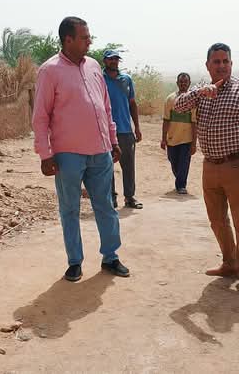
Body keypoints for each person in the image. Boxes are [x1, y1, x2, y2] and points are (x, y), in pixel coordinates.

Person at [32, 16, 130, 282]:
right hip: (68, 155)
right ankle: (74, 262)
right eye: (84, 37)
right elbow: (40, 117)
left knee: (106, 206)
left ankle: (111, 257)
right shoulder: (49, 71)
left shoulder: (94, 66)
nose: (89, 42)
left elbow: (105, 106)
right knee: (70, 209)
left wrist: (113, 140)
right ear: (68, 40)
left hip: (101, 151)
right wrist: (45, 154)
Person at [175, 43, 239, 294]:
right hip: (210, 165)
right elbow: (178, 106)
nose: (221, 66)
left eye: (225, 61)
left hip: (237, 164)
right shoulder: (201, 91)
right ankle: (229, 263)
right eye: (216, 62)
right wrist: (200, 93)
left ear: (231, 63)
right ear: (207, 65)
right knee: (217, 220)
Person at [102, 50, 143, 209]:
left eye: (116, 59)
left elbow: (132, 103)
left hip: (126, 130)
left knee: (128, 166)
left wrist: (137, 127)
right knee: (107, 167)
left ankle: (129, 197)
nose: (114, 61)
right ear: (105, 61)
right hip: (105, 131)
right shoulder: (99, 79)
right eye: (110, 59)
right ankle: (111, 198)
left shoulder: (126, 79)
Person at [161, 72, 197, 194]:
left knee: (184, 163)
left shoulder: (193, 101)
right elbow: (166, 120)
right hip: (172, 139)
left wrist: (194, 143)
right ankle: (180, 179)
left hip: (187, 139)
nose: (183, 84)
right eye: (181, 82)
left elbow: (194, 123)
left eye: (185, 82)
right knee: (173, 162)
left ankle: (181, 185)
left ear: (189, 83)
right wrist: (163, 138)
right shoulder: (170, 99)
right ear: (177, 83)